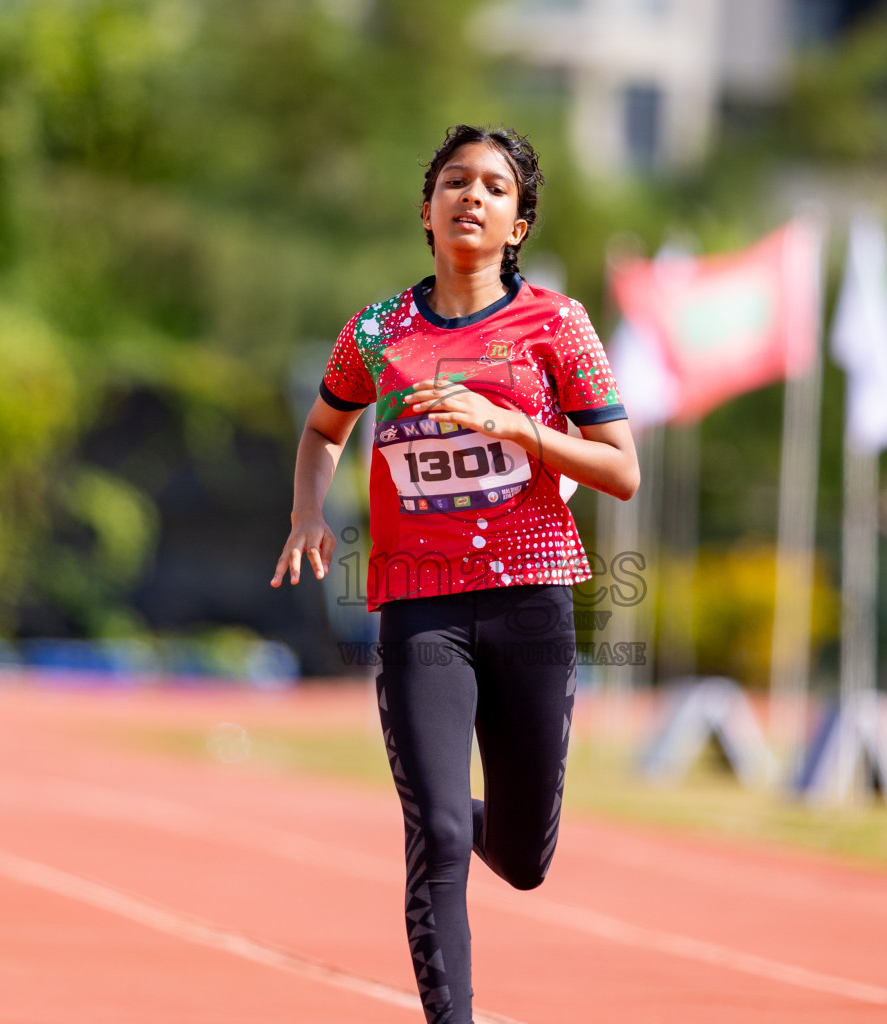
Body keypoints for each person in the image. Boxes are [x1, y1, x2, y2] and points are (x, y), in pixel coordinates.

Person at [271, 123, 638, 1024]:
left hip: (529, 603)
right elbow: (325, 429)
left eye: (496, 187)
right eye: (455, 182)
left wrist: (517, 429)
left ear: (519, 223)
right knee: (434, 836)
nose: (472, 196)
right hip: (418, 609)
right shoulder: (377, 331)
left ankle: (466, 819)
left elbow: (621, 470)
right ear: (427, 210)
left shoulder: (557, 324)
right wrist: (307, 513)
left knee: (522, 858)